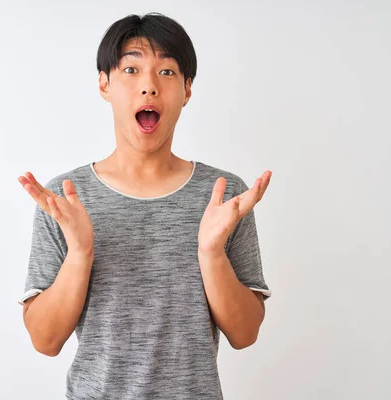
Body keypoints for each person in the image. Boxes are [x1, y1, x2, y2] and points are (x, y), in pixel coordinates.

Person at [17, 12, 272, 400]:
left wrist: (211, 252)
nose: (149, 87)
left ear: (187, 89)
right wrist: (81, 253)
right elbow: (45, 340)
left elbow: (245, 333)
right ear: (105, 84)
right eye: (131, 69)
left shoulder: (224, 196)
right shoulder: (65, 198)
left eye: (167, 72)